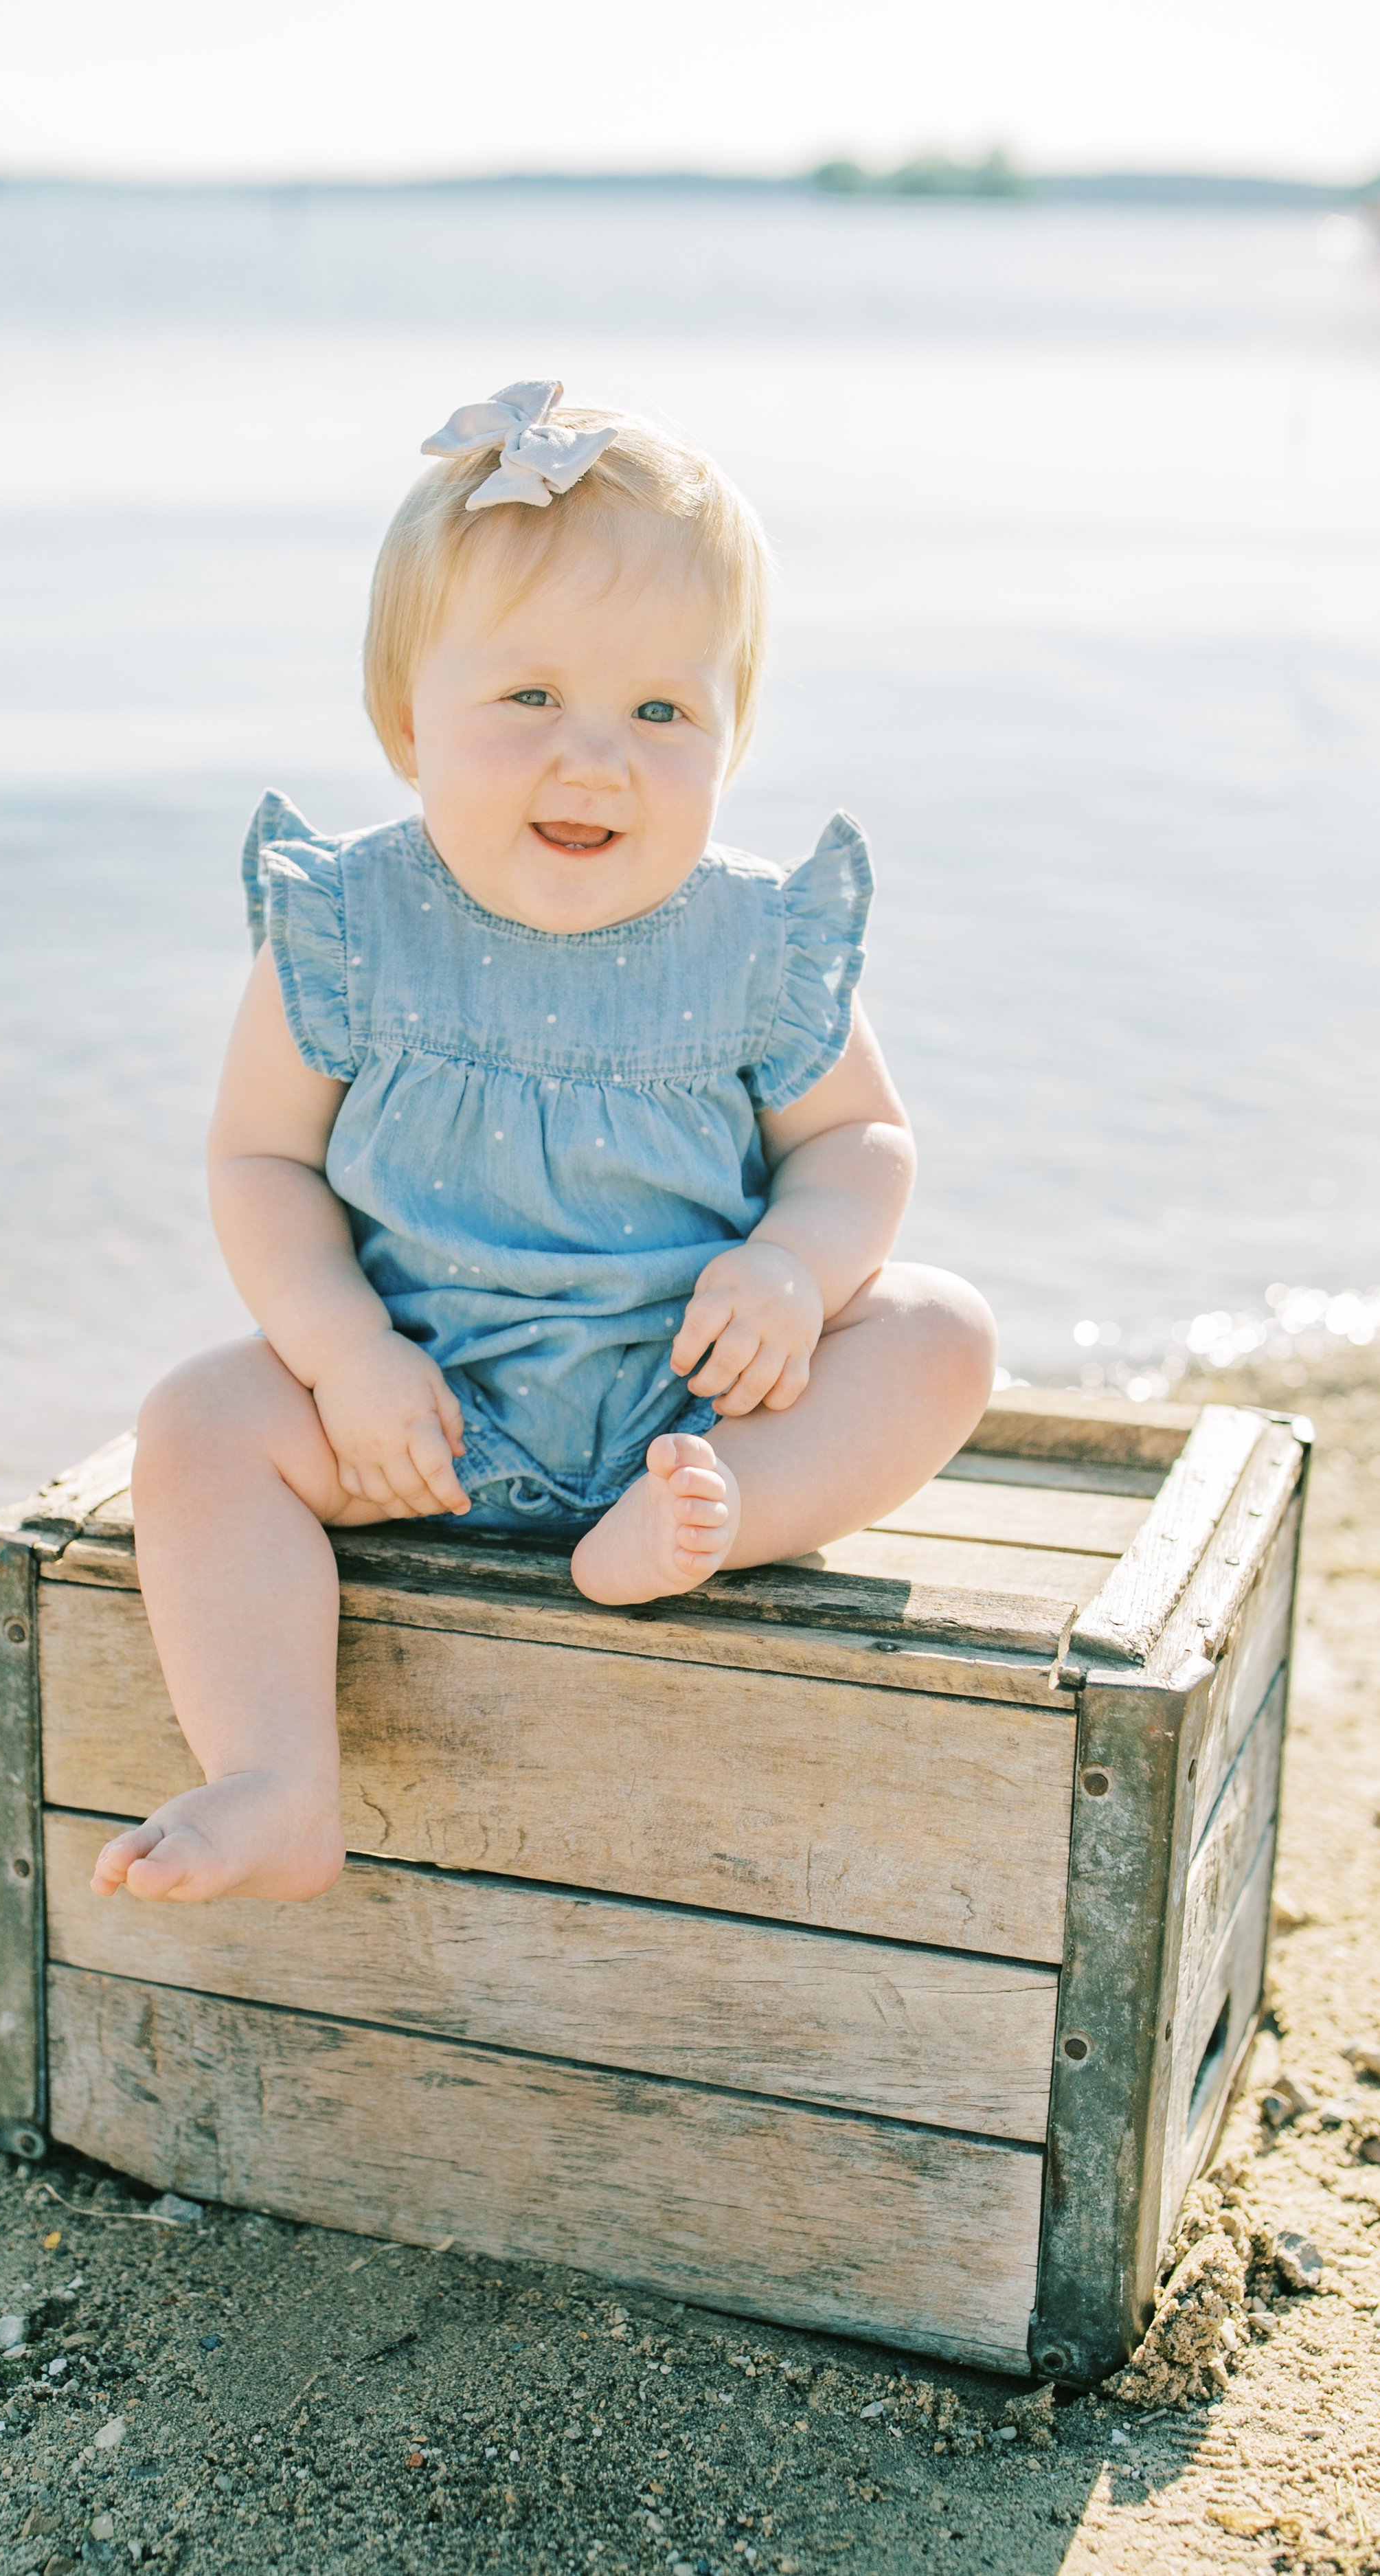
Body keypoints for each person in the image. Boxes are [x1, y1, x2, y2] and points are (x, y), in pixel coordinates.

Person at [93, 381, 997, 1908]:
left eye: (660, 712)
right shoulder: (347, 929)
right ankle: (275, 1779)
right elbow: (261, 1165)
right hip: (418, 1418)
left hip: (696, 1399)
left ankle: (711, 1522)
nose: (595, 762)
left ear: (731, 733)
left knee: (937, 1334)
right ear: (404, 723)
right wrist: (340, 1353)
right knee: (192, 1426)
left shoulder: (749, 937)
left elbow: (859, 1138)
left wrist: (791, 1265)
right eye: (527, 703)